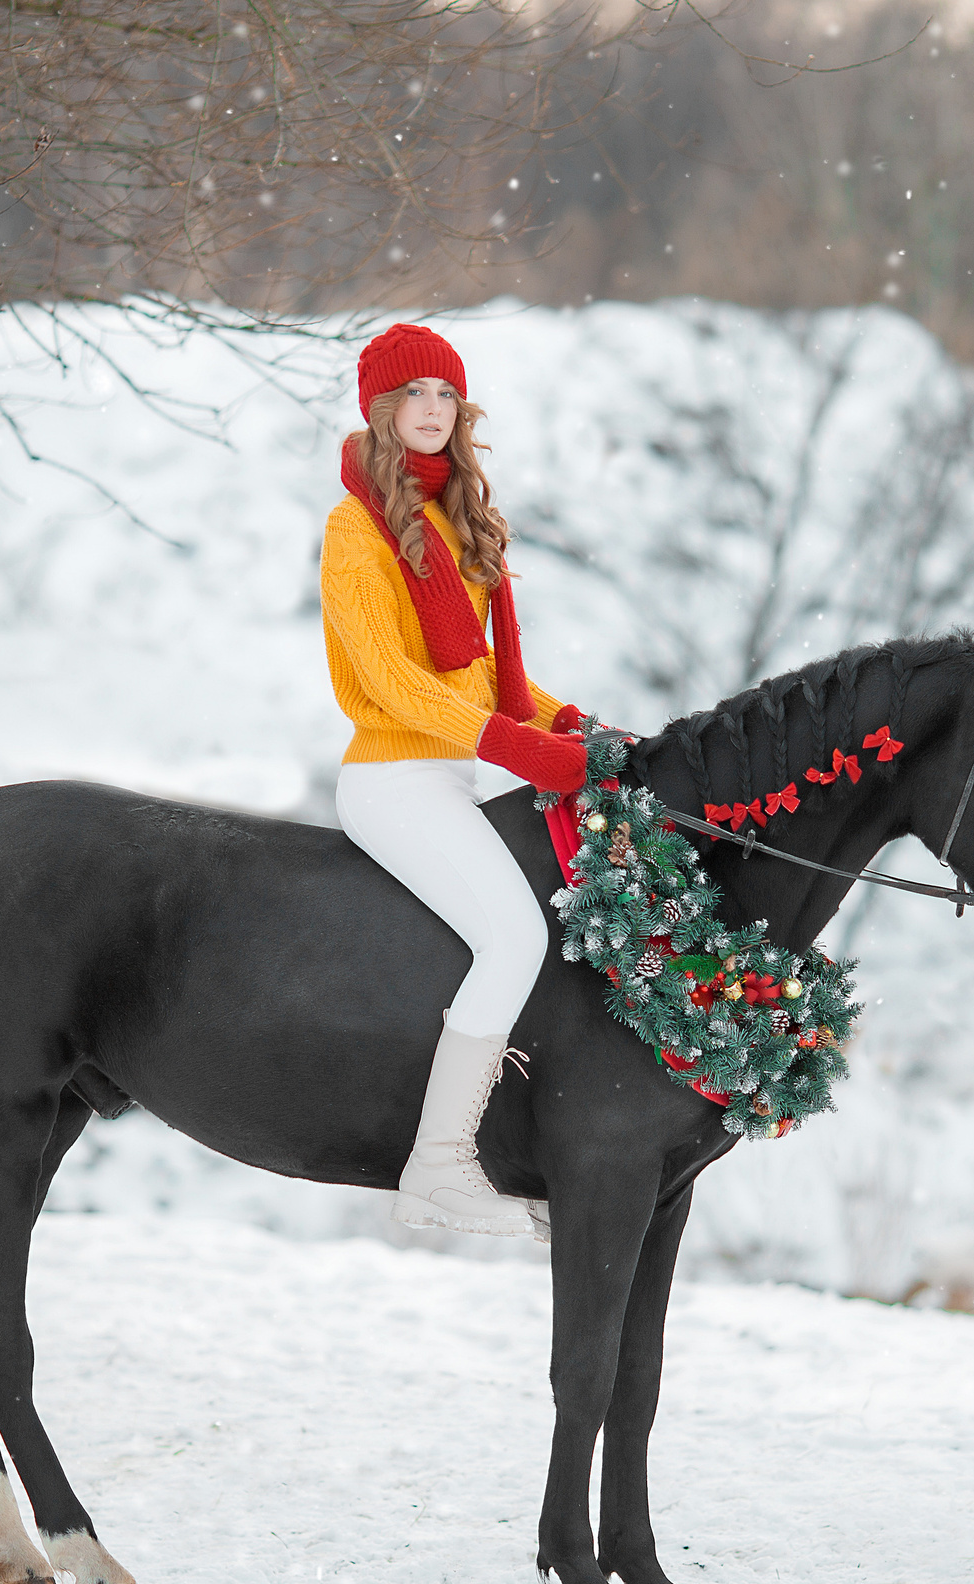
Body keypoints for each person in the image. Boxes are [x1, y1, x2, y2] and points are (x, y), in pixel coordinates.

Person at [322, 323, 595, 1238]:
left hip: (451, 775)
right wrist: (518, 748)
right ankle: (437, 1165)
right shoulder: (355, 527)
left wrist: (574, 727)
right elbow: (391, 680)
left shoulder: (455, 520)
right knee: (516, 939)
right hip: (391, 779)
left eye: (446, 394)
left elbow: (483, 680)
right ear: (381, 408)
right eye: (414, 394)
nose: (433, 409)